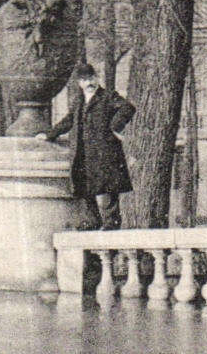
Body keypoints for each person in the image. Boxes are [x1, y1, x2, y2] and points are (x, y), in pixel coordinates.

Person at [37, 63, 136, 232]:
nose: (89, 82)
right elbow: (69, 120)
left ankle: (112, 221)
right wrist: (50, 134)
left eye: (91, 78)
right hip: (83, 150)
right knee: (84, 185)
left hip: (105, 149)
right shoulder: (79, 101)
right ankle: (92, 220)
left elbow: (128, 107)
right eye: (84, 80)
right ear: (79, 83)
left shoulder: (108, 96)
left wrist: (115, 125)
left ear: (96, 78)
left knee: (109, 186)